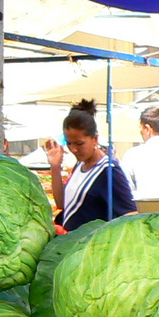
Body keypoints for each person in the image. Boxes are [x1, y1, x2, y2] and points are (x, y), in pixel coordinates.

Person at [42, 99, 138, 231]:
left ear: (95, 139)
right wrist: (55, 166)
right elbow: (62, 203)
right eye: (69, 143)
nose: (74, 149)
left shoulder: (109, 171)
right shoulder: (80, 166)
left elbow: (130, 215)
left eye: (79, 143)